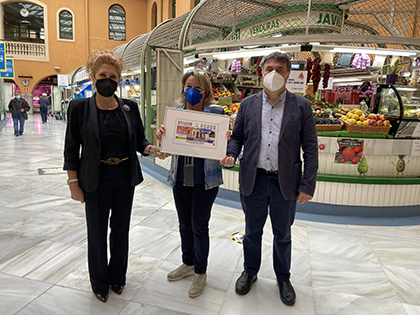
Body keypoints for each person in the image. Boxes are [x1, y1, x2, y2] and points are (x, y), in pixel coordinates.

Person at [63, 49, 169, 303]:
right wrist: (72, 183)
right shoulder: (79, 108)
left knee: (120, 230)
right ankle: (99, 281)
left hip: (123, 178)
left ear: (119, 79)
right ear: (92, 76)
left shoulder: (129, 107)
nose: (108, 80)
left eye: (113, 76)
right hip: (94, 180)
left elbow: (140, 140)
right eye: (102, 75)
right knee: (96, 232)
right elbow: (70, 148)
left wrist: (151, 149)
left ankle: (117, 277)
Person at [220, 52, 318, 306]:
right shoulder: (248, 104)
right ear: (262, 72)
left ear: (288, 73)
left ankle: (283, 278)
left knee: (282, 234)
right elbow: (237, 137)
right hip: (254, 179)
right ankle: (250, 272)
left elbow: (310, 148)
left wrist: (308, 184)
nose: (274, 73)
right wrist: (231, 154)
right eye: (270, 68)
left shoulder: (302, 106)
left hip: (285, 182)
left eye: (280, 69)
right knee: (252, 232)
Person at [156, 70, 226, 298]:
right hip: (180, 178)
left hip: (205, 180)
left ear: (205, 91)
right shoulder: (175, 114)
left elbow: (224, 144)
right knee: (184, 224)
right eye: (188, 86)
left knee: (199, 225)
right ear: (182, 88)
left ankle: (201, 271)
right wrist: (162, 138)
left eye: (197, 87)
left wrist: (227, 138)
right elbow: (166, 150)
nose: (192, 91)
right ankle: (188, 263)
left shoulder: (216, 113)